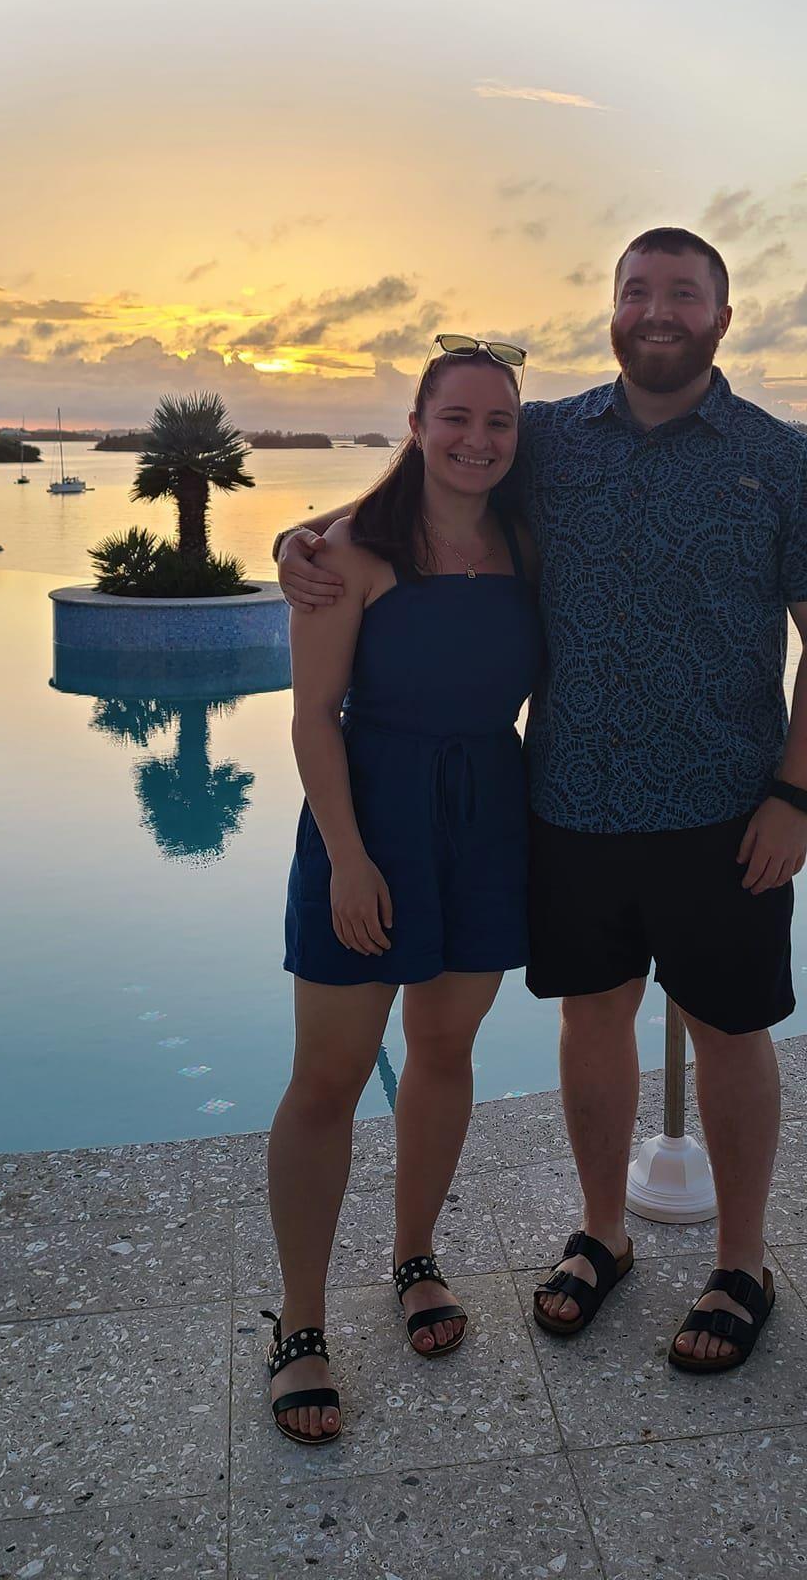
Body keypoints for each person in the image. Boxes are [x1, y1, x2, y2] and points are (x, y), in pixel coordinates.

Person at [277, 228, 807, 1375]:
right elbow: (431, 478)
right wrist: (304, 541)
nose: (658, 309)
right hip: (567, 806)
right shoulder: (550, 434)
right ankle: (601, 1232)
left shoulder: (781, 457)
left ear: (720, 317)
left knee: (729, 1031)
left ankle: (739, 1261)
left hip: (723, 809)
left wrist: (796, 794)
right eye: (638, 289)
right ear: (612, 310)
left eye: (682, 292)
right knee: (588, 1021)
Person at [260, 340, 541, 1446]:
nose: (477, 438)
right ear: (417, 425)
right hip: (369, 824)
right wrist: (347, 857)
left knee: (445, 1047)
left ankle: (414, 1254)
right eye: (454, 417)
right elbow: (309, 718)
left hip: (487, 818)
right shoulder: (346, 554)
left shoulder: (528, 537)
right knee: (327, 1078)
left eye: (498, 421)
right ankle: (300, 1322)